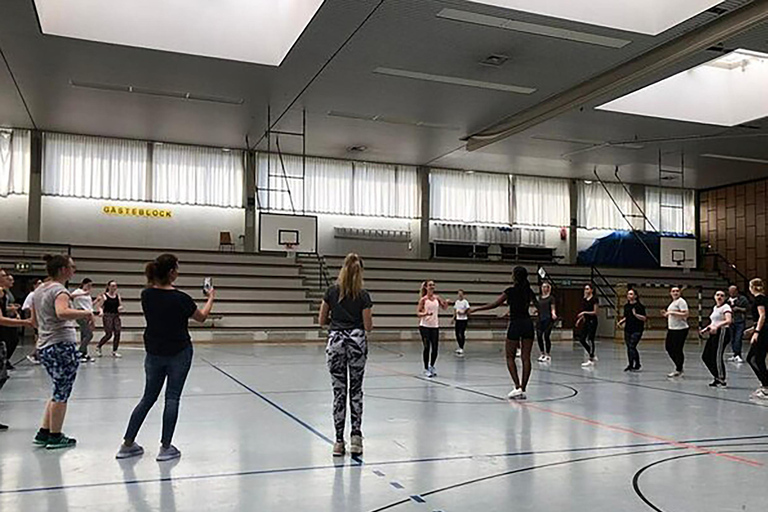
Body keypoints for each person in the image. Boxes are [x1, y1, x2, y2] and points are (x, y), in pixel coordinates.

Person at [116, 254, 215, 462]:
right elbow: (202, 317)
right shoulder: (182, 299)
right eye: (177, 268)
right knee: (172, 398)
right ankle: (166, 447)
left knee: (148, 398)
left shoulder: (146, 295)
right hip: (179, 352)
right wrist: (210, 298)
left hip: (154, 352)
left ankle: (127, 444)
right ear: (171, 272)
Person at [31, 255, 94, 449]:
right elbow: (62, 312)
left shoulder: (40, 290)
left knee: (57, 389)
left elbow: (34, 321)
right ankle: (55, 435)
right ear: (62, 270)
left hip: (45, 344)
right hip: (60, 346)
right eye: (72, 267)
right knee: (62, 392)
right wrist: (87, 313)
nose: (74, 270)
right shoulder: (60, 291)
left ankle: (44, 430)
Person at [318, 253, 373, 457]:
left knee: (339, 392)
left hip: (336, 342)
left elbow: (321, 319)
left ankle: (338, 441)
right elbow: (368, 326)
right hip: (356, 341)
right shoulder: (363, 295)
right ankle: (356, 438)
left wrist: (337, 318)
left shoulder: (331, 292)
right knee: (356, 390)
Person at [469, 266, 537, 400]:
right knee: (526, 357)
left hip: (515, 324)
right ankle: (523, 388)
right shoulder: (528, 291)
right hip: (528, 324)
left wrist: (476, 309)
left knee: (509, 357)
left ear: (514, 276)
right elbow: (538, 305)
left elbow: (495, 304)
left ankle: (517, 386)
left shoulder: (510, 291)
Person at [0, 269, 34, 431]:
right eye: (4, 276)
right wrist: (26, 323)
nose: (7, 278)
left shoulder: (5, 295)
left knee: (2, 376)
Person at [700, 290, 732, 388]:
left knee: (717, 356)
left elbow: (728, 320)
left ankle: (721, 379)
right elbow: (714, 321)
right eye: (717, 295)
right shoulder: (715, 308)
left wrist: (717, 326)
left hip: (722, 332)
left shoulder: (726, 307)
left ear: (725, 297)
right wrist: (706, 328)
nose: (719, 297)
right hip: (713, 333)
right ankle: (716, 376)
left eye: (722, 295)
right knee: (706, 356)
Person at [417, 281, 448, 378]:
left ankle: (432, 366)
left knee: (435, 348)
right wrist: (425, 314)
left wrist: (446, 303)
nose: (432, 287)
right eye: (430, 285)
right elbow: (418, 313)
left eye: (433, 285)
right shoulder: (423, 299)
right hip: (425, 326)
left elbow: (444, 308)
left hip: (435, 326)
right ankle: (426, 368)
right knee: (427, 347)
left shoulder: (437, 298)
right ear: (426, 287)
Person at [746, 278, 768, 400]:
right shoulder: (764, 298)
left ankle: (766, 386)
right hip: (763, 329)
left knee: (755, 359)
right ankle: (765, 383)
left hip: (763, 332)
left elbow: (763, 315)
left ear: (752, 287)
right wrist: (752, 328)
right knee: (755, 358)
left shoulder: (759, 299)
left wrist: (757, 331)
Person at [662, 286, 689, 379]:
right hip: (672, 328)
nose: (675, 293)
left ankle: (679, 368)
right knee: (669, 347)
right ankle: (678, 366)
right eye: (673, 291)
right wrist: (666, 314)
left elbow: (685, 314)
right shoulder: (673, 303)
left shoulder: (681, 301)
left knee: (677, 349)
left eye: (677, 291)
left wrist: (672, 313)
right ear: (670, 293)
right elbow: (672, 314)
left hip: (680, 329)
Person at [618, 289, 647, 372]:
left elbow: (644, 318)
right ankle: (633, 364)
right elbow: (626, 317)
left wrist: (636, 315)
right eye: (628, 294)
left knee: (632, 346)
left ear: (635, 296)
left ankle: (635, 364)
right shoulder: (626, 306)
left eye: (631, 294)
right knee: (629, 347)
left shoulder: (640, 306)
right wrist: (621, 321)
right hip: (628, 329)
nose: (629, 296)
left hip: (637, 329)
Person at [71, 278, 97, 363]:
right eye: (88, 285)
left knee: (84, 334)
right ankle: (79, 352)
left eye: (91, 286)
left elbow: (89, 306)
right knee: (89, 334)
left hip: (87, 314)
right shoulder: (78, 291)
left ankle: (84, 354)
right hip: (80, 313)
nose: (89, 287)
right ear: (83, 284)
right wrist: (83, 293)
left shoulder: (88, 295)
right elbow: (71, 296)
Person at [96, 280, 124, 358]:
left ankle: (115, 350)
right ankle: (99, 346)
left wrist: (120, 307)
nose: (114, 287)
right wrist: (101, 312)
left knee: (117, 332)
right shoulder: (104, 296)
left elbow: (120, 305)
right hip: (107, 315)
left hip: (116, 315)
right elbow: (99, 306)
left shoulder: (118, 296)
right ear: (108, 287)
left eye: (115, 286)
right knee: (109, 333)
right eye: (112, 286)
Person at [576, 284, 599, 367]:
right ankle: (592, 353)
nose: (586, 290)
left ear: (591, 290)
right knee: (582, 339)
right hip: (586, 321)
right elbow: (583, 312)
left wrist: (584, 313)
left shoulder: (594, 299)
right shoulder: (584, 299)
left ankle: (591, 359)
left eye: (587, 289)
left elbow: (595, 312)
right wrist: (579, 320)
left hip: (592, 321)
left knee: (590, 339)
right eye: (585, 289)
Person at [1, 273, 21, 369]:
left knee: (12, 339)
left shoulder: (6, 292)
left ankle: (5, 360)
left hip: (8, 319)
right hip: (4, 320)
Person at [22, 280, 43, 365]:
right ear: (34, 285)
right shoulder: (32, 295)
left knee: (41, 337)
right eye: (38, 283)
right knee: (39, 337)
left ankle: (38, 354)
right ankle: (35, 355)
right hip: (36, 318)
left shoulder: (41, 295)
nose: (40, 285)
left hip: (42, 318)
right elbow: (26, 307)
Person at [727, 285, 749, 364]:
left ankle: (738, 354)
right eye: (730, 291)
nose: (731, 293)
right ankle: (735, 354)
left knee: (738, 338)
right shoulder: (727, 300)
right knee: (732, 338)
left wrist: (738, 308)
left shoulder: (743, 299)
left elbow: (747, 309)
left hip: (740, 321)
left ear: (737, 291)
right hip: (731, 322)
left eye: (733, 291)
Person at [536, 282, 557, 363]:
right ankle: (542, 353)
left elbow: (553, 307)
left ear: (548, 288)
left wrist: (553, 313)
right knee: (539, 335)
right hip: (540, 318)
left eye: (545, 287)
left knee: (546, 336)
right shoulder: (540, 298)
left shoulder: (551, 298)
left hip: (548, 318)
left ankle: (548, 354)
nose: (544, 289)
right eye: (543, 287)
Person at [453, 290, 470, 356]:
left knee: (461, 333)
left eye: (461, 294)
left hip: (463, 319)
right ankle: (459, 346)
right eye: (459, 294)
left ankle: (461, 347)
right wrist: (453, 318)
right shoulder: (457, 302)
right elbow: (455, 310)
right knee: (457, 333)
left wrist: (463, 312)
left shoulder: (465, 302)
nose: (460, 295)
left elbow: (468, 308)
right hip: (458, 319)